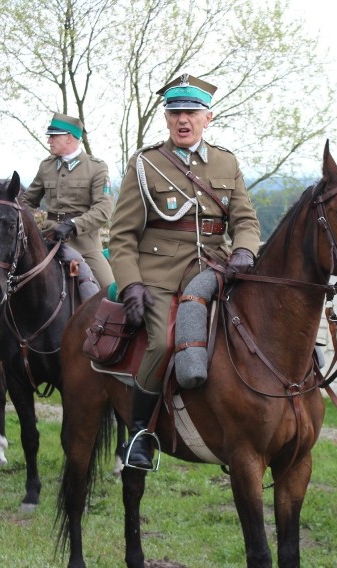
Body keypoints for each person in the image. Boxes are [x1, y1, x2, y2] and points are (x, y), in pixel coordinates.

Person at [109, 73, 262, 469]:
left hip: (218, 268)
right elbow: (122, 235)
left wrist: (244, 249)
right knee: (162, 342)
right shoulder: (146, 164)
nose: (183, 119)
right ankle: (140, 433)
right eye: (175, 112)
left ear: (207, 118)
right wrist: (131, 285)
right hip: (160, 274)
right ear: (165, 118)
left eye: (191, 112)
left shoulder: (226, 161)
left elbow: (245, 219)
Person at [20, 113, 114, 290]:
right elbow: (28, 200)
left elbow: (103, 209)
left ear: (69, 137)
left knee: (111, 290)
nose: (49, 141)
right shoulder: (46, 166)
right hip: (48, 240)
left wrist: (73, 224)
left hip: (84, 244)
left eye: (53, 136)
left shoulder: (96, 167)